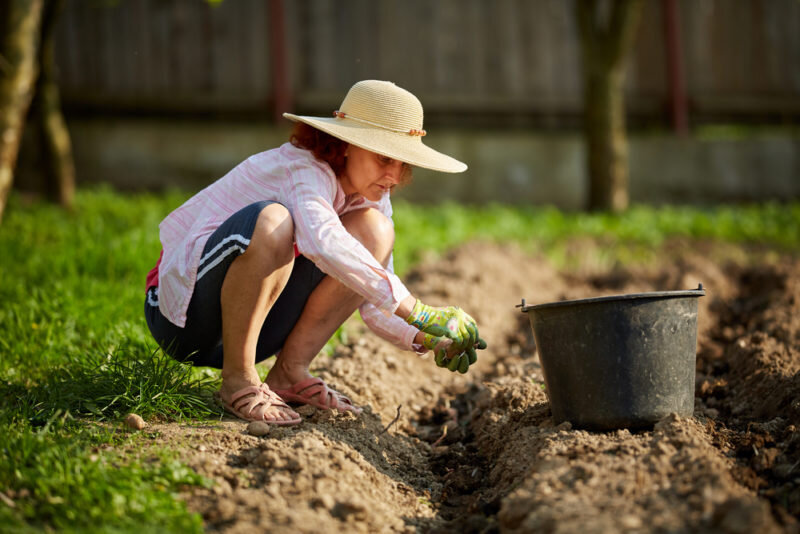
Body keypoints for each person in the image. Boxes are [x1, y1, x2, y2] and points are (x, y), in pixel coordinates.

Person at [144, 80, 487, 425]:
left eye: (404, 163)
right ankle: (237, 381)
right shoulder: (302, 169)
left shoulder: (372, 198)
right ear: (348, 144)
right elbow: (323, 241)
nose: (394, 176)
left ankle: (289, 374)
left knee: (375, 233)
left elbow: (371, 291)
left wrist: (425, 335)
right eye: (385, 158)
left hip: (257, 329)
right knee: (273, 223)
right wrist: (416, 309)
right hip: (183, 318)